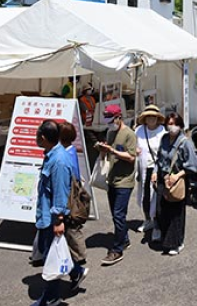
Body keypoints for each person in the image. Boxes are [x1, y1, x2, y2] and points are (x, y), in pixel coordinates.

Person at [33, 120, 86, 306]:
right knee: (52, 252)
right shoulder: (51, 154)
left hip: (52, 218)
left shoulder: (59, 161)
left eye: (37, 134)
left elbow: (61, 193)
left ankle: (51, 300)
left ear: (43, 138)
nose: (35, 137)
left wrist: (58, 220)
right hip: (45, 215)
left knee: (51, 258)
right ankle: (77, 272)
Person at [97, 104, 137, 266]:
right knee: (115, 214)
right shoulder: (110, 132)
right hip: (111, 178)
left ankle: (117, 249)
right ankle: (124, 239)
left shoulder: (129, 134)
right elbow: (107, 151)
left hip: (125, 181)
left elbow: (132, 157)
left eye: (111, 120)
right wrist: (102, 149)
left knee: (119, 214)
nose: (109, 124)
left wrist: (113, 151)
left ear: (119, 117)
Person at [152, 113, 197, 255]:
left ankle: (177, 242)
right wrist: (154, 172)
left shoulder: (185, 143)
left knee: (176, 212)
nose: (172, 127)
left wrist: (177, 175)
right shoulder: (164, 139)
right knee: (162, 209)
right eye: (169, 123)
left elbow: (192, 166)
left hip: (177, 180)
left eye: (175, 124)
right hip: (162, 178)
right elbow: (159, 157)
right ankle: (166, 238)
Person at [58, 122, 89, 287]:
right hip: (71, 196)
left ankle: (79, 258)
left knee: (72, 229)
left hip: (70, 198)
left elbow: (73, 177)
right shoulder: (70, 151)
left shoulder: (66, 154)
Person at [135, 105, 166, 241]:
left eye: (153, 117)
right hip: (143, 167)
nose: (151, 119)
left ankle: (157, 225)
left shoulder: (162, 132)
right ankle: (147, 219)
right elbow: (133, 146)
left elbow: (163, 152)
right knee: (145, 196)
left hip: (157, 169)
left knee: (157, 198)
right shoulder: (139, 131)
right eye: (148, 117)